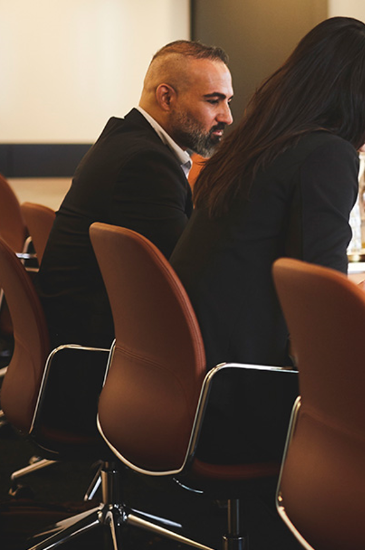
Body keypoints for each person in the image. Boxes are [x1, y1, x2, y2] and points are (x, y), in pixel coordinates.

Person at [170, 16, 365, 462]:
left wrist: (349, 292)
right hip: (249, 392)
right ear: (355, 93)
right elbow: (322, 324)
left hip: (198, 375)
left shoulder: (258, 144)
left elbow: (274, 271)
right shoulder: (327, 155)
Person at [35, 40, 234, 348]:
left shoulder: (127, 140)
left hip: (81, 333)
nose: (227, 117)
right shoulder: (145, 164)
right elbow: (184, 277)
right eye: (213, 101)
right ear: (166, 97)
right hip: (96, 351)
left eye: (228, 101)